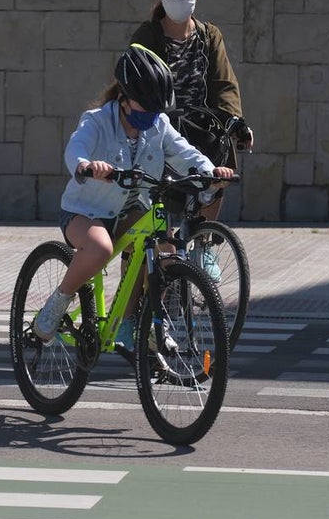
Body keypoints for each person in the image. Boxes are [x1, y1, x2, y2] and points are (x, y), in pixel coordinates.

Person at [32, 44, 234, 345]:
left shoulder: (158, 124)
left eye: (157, 109)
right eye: (145, 107)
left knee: (164, 245)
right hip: (85, 210)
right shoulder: (97, 120)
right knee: (99, 249)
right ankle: (58, 301)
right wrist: (87, 165)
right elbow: (76, 148)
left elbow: (184, 153)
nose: (151, 116)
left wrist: (210, 172)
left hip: (131, 208)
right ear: (124, 99)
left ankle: (135, 322)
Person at [129, 0, 255, 229]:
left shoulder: (209, 36)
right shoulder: (147, 35)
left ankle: (204, 240)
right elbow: (132, 80)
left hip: (198, 122)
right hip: (157, 126)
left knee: (221, 152)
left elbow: (224, 84)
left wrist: (235, 122)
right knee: (151, 201)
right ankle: (158, 251)